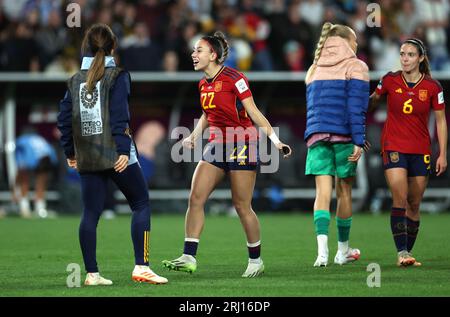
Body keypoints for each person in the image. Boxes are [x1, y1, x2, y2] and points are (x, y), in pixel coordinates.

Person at [162, 31, 292, 278]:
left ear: (213, 55)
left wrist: (275, 141)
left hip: (243, 142)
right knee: (196, 197)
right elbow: (206, 114)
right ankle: (189, 256)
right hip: (217, 143)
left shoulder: (235, 78)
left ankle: (256, 261)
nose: (193, 54)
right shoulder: (202, 83)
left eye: (199, 50)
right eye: (194, 50)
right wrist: (194, 136)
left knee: (242, 205)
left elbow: (253, 112)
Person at [57, 23, 167, 286]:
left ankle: (92, 274)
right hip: (116, 154)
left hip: (87, 155)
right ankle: (142, 267)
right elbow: (120, 116)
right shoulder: (118, 75)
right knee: (140, 203)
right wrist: (120, 150)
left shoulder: (74, 80)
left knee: (91, 213)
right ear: (113, 48)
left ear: (86, 48)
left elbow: (64, 119)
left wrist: (70, 152)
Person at [371, 38, 447, 267]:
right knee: (400, 197)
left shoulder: (433, 87)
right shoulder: (389, 80)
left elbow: (441, 122)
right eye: (402, 54)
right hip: (394, 146)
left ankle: (408, 253)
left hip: (421, 150)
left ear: (421, 58)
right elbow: (372, 101)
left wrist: (442, 153)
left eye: (410, 54)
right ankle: (401, 252)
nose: (405, 58)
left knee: (414, 203)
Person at [304, 22, 369, 267]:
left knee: (322, 193)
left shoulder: (313, 69)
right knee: (344, 192)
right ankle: (342, 252)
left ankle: (321, 253)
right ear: (347, 42)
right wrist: (359, 140)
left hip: (316, 135)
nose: (357, 45)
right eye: (354, 41)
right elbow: (356, 108)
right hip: (343, 137)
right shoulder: (356, 66)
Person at [14, 129, 57, 218]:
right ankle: (40, 208)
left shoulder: (22, 139)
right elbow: (51, 151)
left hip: (32, 157)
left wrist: (14, 187)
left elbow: (20, 157)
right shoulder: (40, 138)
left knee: (24, 180)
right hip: (48, 158)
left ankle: (24, 208)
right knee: (41, 181)